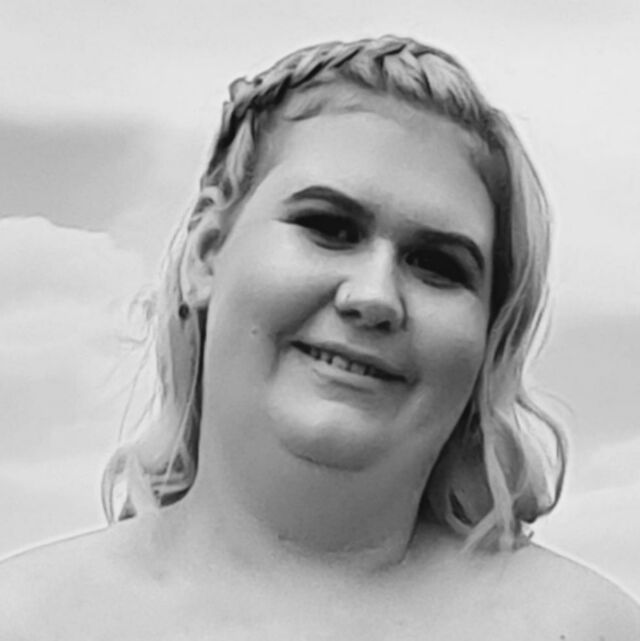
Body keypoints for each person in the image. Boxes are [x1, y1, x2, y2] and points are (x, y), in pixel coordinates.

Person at [1, 35, 638, 639]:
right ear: (207, 252)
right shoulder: (25, 619)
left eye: (438, 265)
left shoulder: (586, 627)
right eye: (329, 228)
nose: (374, 296)